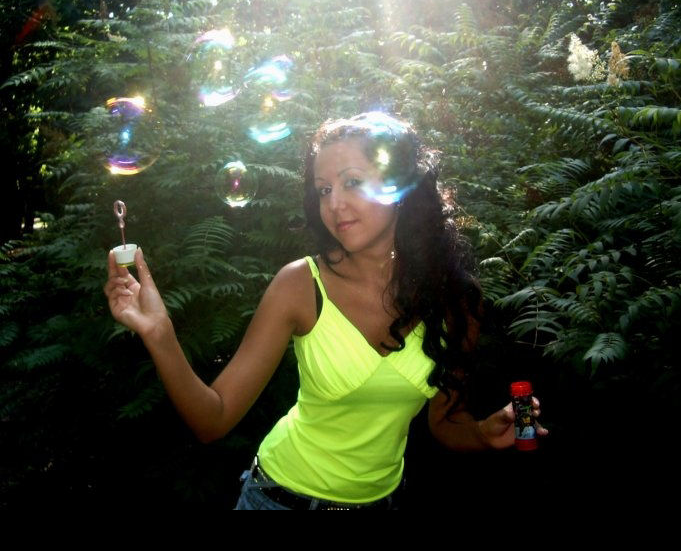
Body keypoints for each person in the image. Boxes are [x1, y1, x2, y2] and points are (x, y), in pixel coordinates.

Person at [104, 112, 546, 510]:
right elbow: (212, 420)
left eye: (352, 182)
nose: (334, 204)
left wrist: (483, 434)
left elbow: (447, 422)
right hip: (277, 499)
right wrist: (159, 332)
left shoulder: (456, 302)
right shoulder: (300, 285)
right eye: (324, 189)